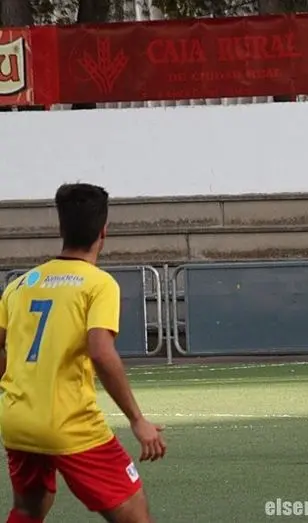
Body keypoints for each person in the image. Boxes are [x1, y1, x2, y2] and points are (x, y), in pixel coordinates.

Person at [0, 183, 167, 523]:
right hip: (69, 423)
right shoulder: (98, 284)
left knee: (28, 509)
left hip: (17, 421)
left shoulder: (20, 284)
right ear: (104, 231)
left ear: (61, 228)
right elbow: (101, 352)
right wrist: (137, 420)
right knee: (136, 515)